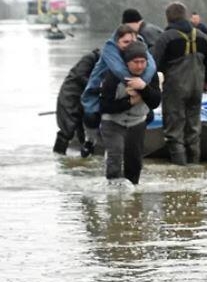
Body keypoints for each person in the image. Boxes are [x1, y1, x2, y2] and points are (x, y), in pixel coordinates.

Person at [81, 20, 157, 158]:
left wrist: (143, 86)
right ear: (117, 42)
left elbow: (151, 67)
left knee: (149, 115)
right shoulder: (110, 49)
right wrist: (137, 86)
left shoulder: (139, 45)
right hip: (101, 90)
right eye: (125, 42)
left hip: (129, 90)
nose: (130, 45)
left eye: (132, 41)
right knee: (91, 116)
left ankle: (133, 139)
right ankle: (90, 141)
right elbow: (120, 71)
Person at [152, 1, 207, 165]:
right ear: (185, 16)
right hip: (197, 89)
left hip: (174, 89)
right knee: (193, 131)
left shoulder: (165, 38)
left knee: (174, 133)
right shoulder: (201, 36)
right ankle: (194, 167)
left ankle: (181, 171)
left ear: (168, 19)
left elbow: (155, 65)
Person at [98, 40, 161, 184]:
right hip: (112, 122)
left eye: (143, 62)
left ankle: (133, 199)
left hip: (137, 122)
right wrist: (129, 102)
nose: (140, 66)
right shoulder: (113, 76)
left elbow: (155, 102)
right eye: (135, 62)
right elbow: (104, 106)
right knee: (116, 157)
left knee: (134, 164)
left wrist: (144, 88)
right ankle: (113, 195)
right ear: (126, 63)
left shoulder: (152, 76)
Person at [52, 48, 100, 154]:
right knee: (67, 129)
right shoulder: (90, 58)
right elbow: (80, 76)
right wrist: (98, 88)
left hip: (84, 97)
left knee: (82, 130)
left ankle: (84, 158)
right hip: (70, 95)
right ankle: (58, 155)